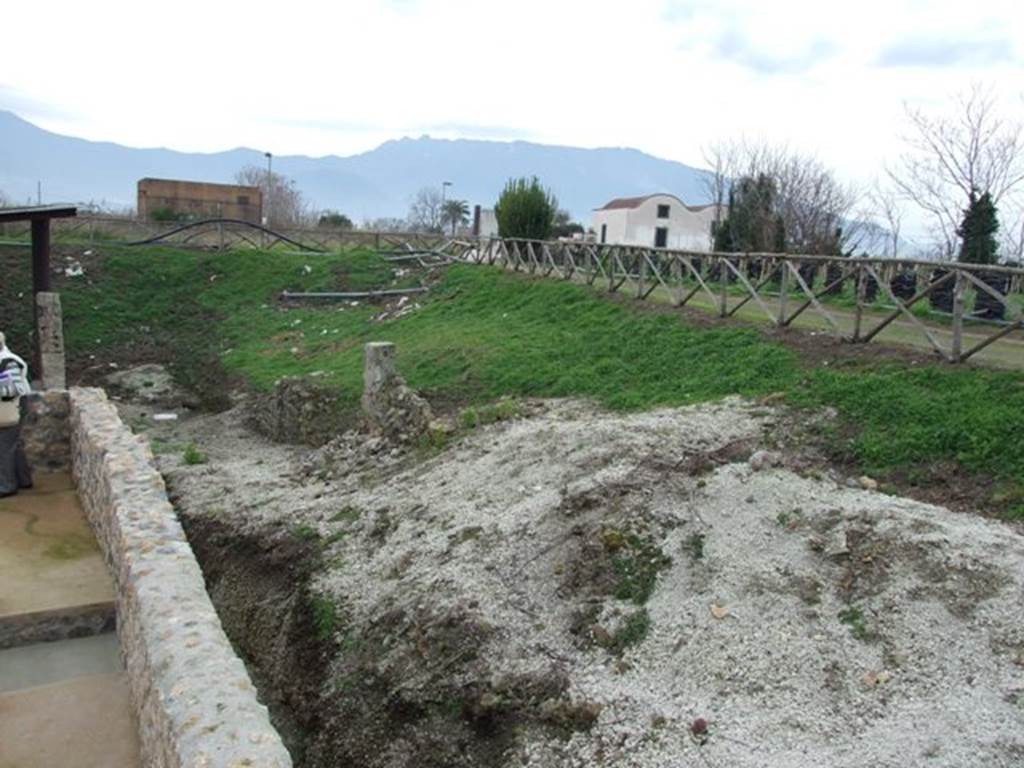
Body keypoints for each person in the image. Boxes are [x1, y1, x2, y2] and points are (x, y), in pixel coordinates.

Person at [0, 332, 32, 497]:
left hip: (12, 407)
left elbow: (13, 390)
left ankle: (7, 486)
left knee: (4, 447)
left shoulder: (8, 362)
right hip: (9, 407)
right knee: (12, 443)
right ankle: (23, 479)